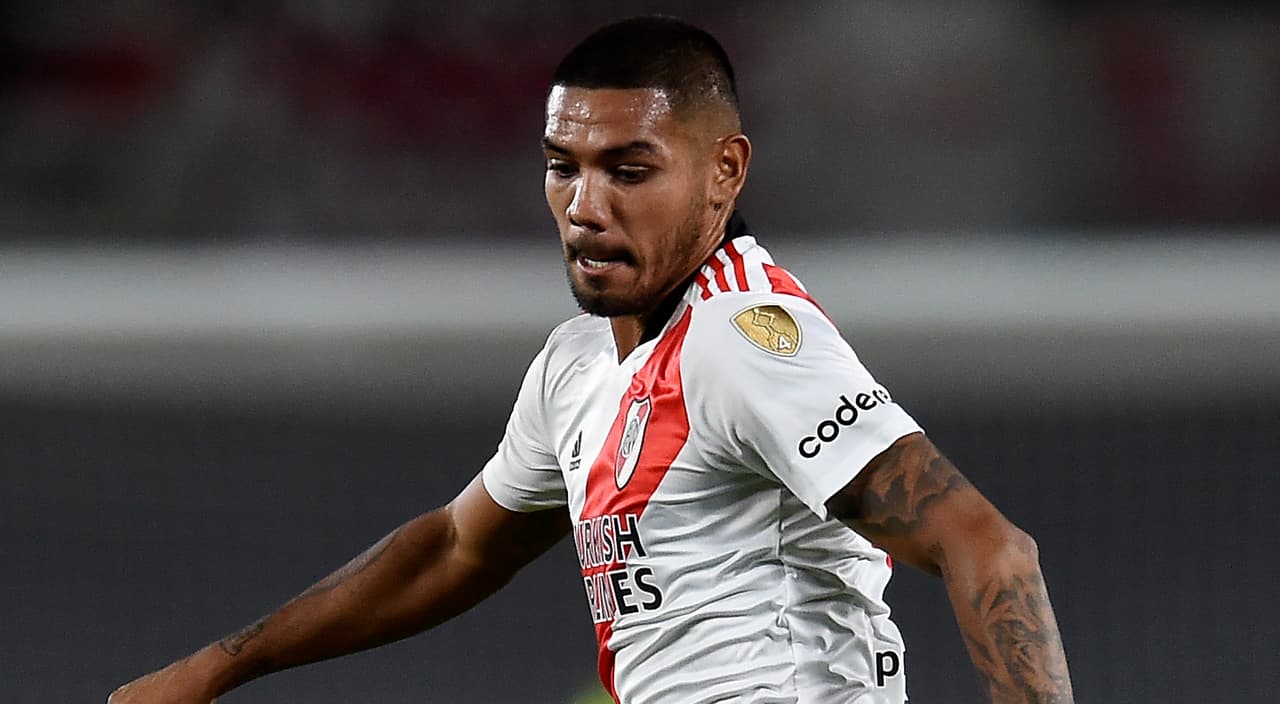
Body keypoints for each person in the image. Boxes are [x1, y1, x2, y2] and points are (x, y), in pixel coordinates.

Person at [110, 16, 1074, 704]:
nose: (585, 207)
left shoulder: (742, 337)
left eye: (630, 170)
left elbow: (988, 548)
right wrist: (219, 667)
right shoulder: (576, 366)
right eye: (562, 166)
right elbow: (455, 548)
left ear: (725, 172)